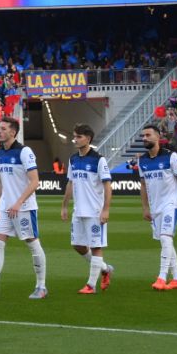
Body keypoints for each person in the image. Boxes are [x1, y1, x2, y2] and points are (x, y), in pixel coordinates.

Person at [0, 116, 47, 301]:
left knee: (33, 244)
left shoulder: (24, 152)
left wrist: (19, 202)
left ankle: (41, 286)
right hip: (5, 208)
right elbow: (2, 182)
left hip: (24, 207)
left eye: (3, 129)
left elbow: (35, 181)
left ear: (13, 132)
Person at [58, 123, 114, 295]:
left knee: (96, 247)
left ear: (88, 138)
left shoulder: (99, 160)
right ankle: (105, 269)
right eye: (74, 136)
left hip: (95, 211)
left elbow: (107, 186)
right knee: (78, 245)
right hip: (78, 211)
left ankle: (91, 285)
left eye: (79, 136)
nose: (75, 139)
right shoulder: (73, 159)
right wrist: (64, 205)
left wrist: (106, 209)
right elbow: (70, 182)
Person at [136, 122, 177, 290]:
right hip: (155, 207)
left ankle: (162, 277)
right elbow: (143, 185)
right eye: (143, 136)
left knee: (166, 238)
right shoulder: (142, 160)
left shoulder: (171, 156)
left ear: (158, 137)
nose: (145, 138)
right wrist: (145, 207)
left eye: (148, 135)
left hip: (170, 204)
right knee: (166, 242)